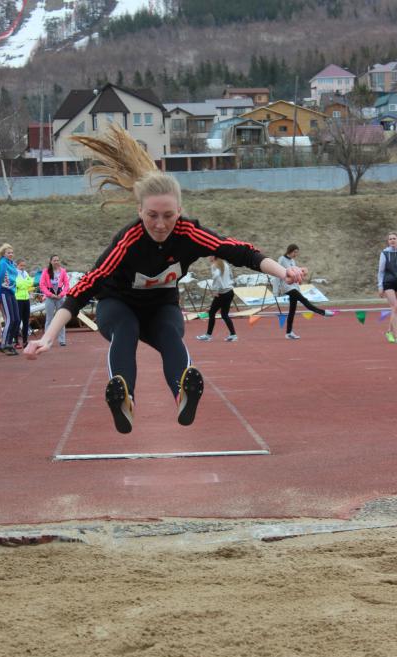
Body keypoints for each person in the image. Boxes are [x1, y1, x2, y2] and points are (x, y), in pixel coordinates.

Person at [24, 123, 305, 434]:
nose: (160, 224)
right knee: (126, 329)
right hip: (118, 305)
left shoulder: (190, 233)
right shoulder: (127, 242)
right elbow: (83, 289)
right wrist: (48, 337)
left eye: (169, 215)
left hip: (161, 306)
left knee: (171, 333)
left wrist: (284, 272)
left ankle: (183, 393)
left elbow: (242, 252)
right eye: (152, 215)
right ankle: (124, 399)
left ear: (179, 210)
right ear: (140, 211)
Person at [278, 244, 333, 340]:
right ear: (290, 251)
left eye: (297, 252)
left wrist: (301, 277)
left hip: (294, 287)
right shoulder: (282, 259)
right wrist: (276, 290)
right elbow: (277, 274)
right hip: (287, 287)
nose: (296, 254)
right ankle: (323, 312)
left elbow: (295, 274)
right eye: (295, 252)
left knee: (292, 311)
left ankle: (289, 333)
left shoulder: (292, 261)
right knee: (304, 300)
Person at [196, 255, 237, 342]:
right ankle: (233, 335)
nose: (208, 257)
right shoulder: (225, 263)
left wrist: (217, 290)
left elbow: (217, 276)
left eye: (210, 255)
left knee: (212, 313)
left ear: (214, 257)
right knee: (224, 314)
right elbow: (230, 275)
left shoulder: (214, 265)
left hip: (222, 293)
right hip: (230, 291)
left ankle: (208, 335)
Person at [0, 243, 19, 356]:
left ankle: (9, 343)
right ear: (4, 254)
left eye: (12, 253)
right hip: (4, 292)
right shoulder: (3, 263)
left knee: (16, 319)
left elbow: (14, 277)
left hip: (12, 292)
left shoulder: (11, 263)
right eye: (8, 253)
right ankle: (3, 344)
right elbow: (0, 278)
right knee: (10, 319)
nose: (11, 254)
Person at [39, 255, 71, 347]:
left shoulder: (63, 271)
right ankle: (46, 340)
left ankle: (62, 340)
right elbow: (42, 285)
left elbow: (67, 284)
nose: (56, 262)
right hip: (50, 297)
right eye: (54, 260)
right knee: (49, 319)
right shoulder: (45, 271)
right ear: (51, 261)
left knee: (61, 318)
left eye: (57, 260)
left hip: (60, 297)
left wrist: (62, 294)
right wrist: (50, 294)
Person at [14, 259, 35, 348]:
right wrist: (26, 283)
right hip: (18, 299)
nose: (23, 267)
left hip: (26, 298)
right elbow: (18, 284)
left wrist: (25, 284)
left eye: (24, 265)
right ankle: (16, 341)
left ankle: (25, 341)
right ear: (17, 265)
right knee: (17, 320)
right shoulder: (15, 273)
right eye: (21, 265)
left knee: (26, 321)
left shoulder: (25, 273)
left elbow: (31, 283)